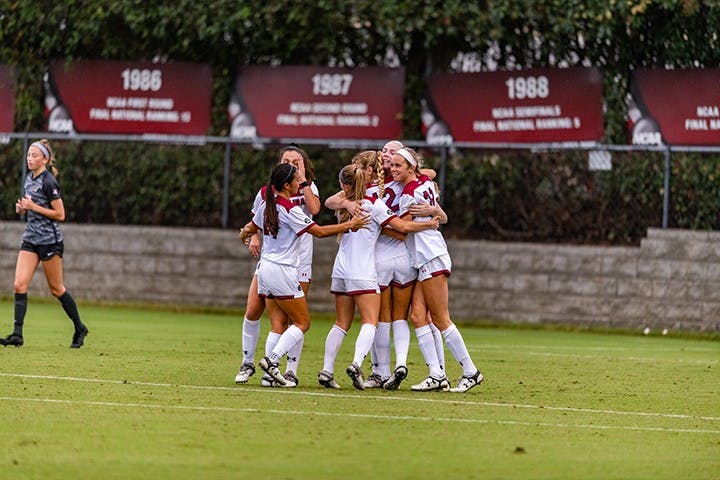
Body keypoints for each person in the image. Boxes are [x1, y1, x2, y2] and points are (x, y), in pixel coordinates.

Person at [239, 163, 369, 387]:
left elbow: (251, 227)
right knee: (302, 322)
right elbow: (318, 232)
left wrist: (245, 234)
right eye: (297, 180)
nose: (301, 182)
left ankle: (269, 374)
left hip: (264, 270)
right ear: (287, 185)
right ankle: (271, 361)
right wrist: (350, 224)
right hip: (283, 271)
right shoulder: (290, 210)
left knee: (278, 322)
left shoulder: (268, 204)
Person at [318, 160, 440, 390]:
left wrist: (344, 199)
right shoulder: (373, 203)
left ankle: (327, 370)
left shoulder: (343, 204)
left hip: (341, 269)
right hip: (363, 269)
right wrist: (427, 225)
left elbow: (328, 201)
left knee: (341, 323)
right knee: (372, 322)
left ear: (342, 185)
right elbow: (402, 229)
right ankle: (357, 364)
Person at [390, 147, 484, 393]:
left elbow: (401, 229)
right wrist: (435, 215)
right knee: (418, 316)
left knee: (441, 319)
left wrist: (378, 221)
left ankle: (470, 371)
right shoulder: (426, 183)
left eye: (399, 165)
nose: (393, 169)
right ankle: (436, 374)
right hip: (424, 259)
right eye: (392, 165)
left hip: (431, 256)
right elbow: (442, 217)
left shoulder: (410, 193)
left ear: (412, 167)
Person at [235, 145, 320, 387]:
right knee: (253, 310)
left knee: (294, 318)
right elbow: (256, 221)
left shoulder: (307, 188)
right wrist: (254, 236)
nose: (292, 164)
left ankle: (289, 370)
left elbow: (315, 211)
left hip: (300, 259)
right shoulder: (267, 193)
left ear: (304, 165)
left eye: (297, 161)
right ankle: (249, 363)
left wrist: (303, 183)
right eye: (287, 160)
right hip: (273, 260)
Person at [1, 139, 88, 348]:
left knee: (57, 289)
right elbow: (30, 204)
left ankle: (79, 327)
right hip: (30, 238)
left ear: (45, 160)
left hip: (50, 242)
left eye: (34, 155)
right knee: (19, 284)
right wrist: (23, 208)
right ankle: (17, 334)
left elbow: (60, 214)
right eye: (28, 155)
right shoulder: (29, 178)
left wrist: (34, 207)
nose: (29, 159)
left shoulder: (49, 182)